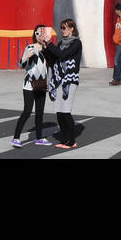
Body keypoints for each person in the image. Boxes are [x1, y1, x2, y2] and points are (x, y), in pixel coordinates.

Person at [12, 24, 54, 147]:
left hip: (42, 84)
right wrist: (26, 57)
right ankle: (16, 138)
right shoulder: (30, 47)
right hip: (29, 85)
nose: (39, 35)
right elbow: (22, 65)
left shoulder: (47, 49)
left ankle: (39, 138)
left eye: (41, 33)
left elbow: (52, 63)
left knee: (40, 113)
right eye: (37, 33)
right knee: (27, 111)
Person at [44, 18, 83, 148]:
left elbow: (64, 55)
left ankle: (72, 141)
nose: (63, 30)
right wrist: (45, 47)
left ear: (72, 28)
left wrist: (50, 44)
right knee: (59, 112)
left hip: (70, 81)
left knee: (65, 111)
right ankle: (64, 139)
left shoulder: (76, 43)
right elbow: (54, 58)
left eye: (65, 27)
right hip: (58, 80)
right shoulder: (60, 43)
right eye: (61, 28)